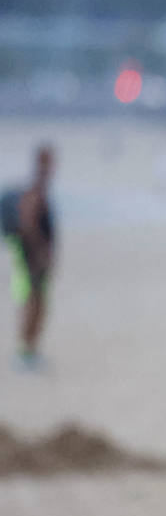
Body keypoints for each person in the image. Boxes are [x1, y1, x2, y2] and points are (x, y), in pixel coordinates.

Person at [2, 143, 57, 370]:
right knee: (34, 303)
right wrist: (40, 251)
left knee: (38, 303)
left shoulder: (38, 188)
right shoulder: (36, 189)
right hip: (32, 257)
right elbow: (28, 222)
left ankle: (30, 350)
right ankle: (25, 352)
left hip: (32, 256)